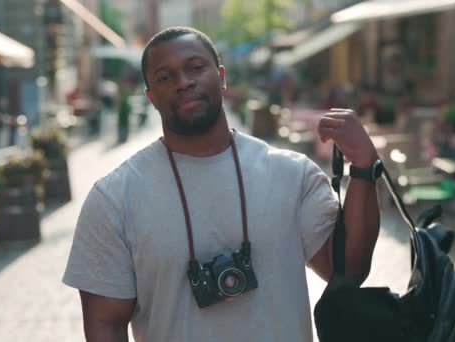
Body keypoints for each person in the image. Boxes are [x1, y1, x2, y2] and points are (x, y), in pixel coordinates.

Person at [63, 27, 381, 342]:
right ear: (150, 96)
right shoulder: (115, 199)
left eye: (195, 68)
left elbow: (349, 271)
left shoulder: (292, 175)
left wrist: (364, 169)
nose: (183, 82)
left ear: (221, 76)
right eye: (164, 77)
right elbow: (105, 323)